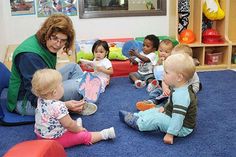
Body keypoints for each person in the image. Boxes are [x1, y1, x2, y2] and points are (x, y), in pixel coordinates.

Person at [7, 14, 86, 115]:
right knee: (80, 85)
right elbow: (36, 96)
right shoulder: (29, 56)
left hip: (46, 85)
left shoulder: (43, 42)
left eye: (63, 41)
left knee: (73, 67)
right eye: (55, 38)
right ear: (46, 33)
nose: (58, 44)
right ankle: (78, 101)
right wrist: (63, 106)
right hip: (26, 102)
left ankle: (79, 99)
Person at [119, 53, 197, 145]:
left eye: (166, 72)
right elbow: (171, 102)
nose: (163, 74)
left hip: (182, 127)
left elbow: (178, 118)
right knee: (156, 109)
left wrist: (170, 134)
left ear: (179, 77)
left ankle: (138, 123)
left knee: (158, 119)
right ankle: (138, 115)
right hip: (172, 115)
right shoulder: (178, 86)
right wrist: (165, 109)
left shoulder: (182, 96)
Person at [32, 69, 116, 148]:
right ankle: (104, 134)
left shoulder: (41, 100)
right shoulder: (58, 107)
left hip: (41, 136)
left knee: (69, 123)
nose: (63, 86)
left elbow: (51, 109)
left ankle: (77, 125)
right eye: (61, 85)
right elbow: (68, 125)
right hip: (54, 140)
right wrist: (79, 129)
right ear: (54, 92)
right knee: (83, 135)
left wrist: (66, 104)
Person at [136, 44, 201, 111]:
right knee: (158, 91)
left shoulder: (191, 73)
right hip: (169, 90)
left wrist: (186, 93)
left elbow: (196, 85)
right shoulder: (170, 69)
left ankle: (159, 108)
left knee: (177, 102)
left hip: (182, 95)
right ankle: (151, 101)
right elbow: (164, 80)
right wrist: (165, 89)